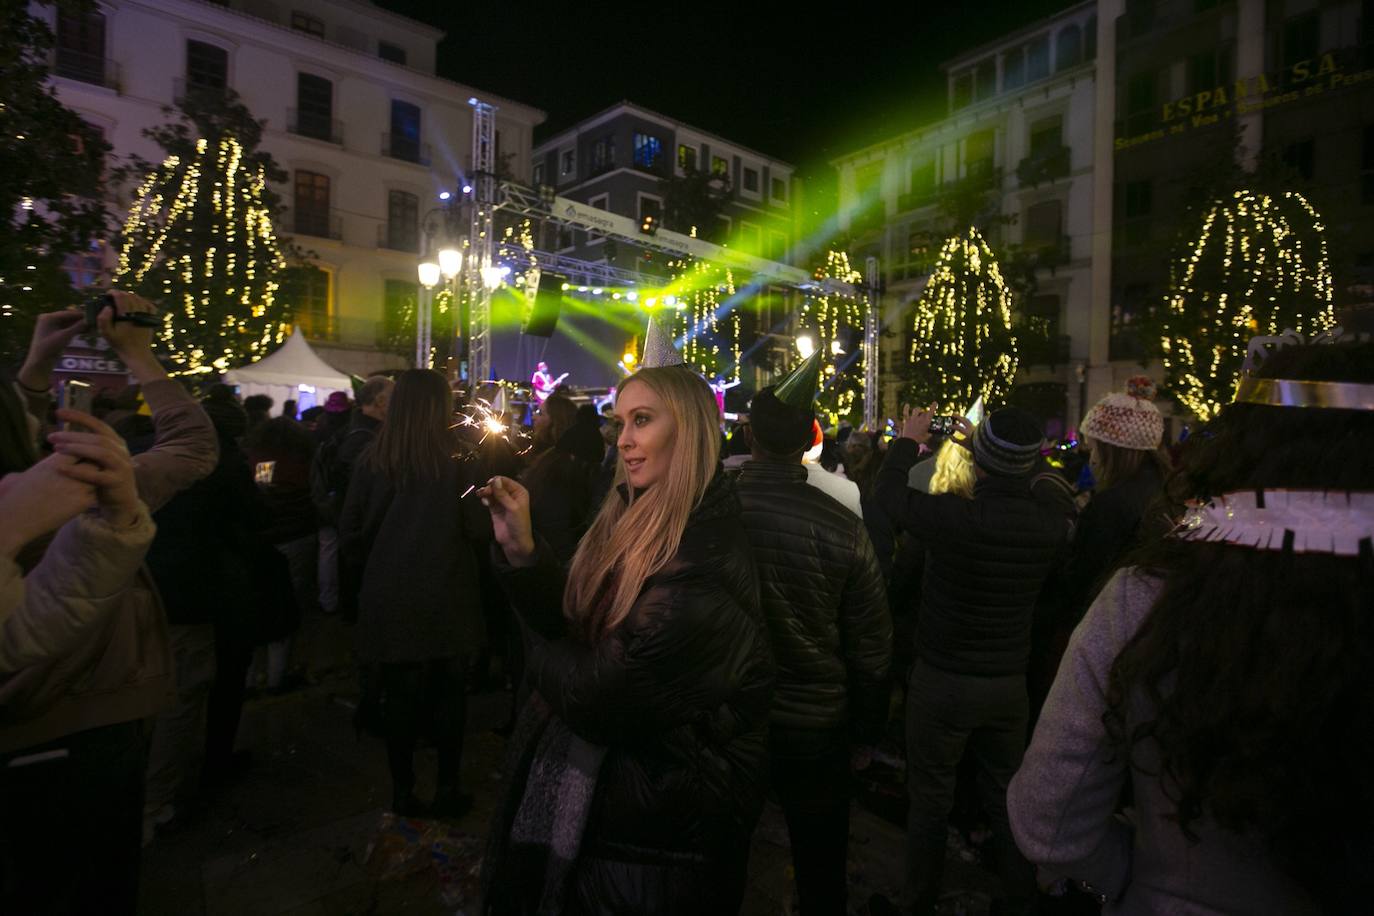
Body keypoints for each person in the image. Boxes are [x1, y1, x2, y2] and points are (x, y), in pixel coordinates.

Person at [1009, 336, 1374, 914]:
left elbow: (1047, 814)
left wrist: (1139, 880)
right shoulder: (1158, 514)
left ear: (1245, 444)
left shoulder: (1148, 589)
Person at [477, 357, 774, 913]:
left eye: (643, 420)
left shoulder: (702, 559)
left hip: (662, 839)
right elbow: (578, 625)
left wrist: (536, 655)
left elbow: (598, 693)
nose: (625, 441)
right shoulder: (630, 514)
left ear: (688, 431)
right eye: (620, 423)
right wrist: (523, 554)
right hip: (622, 820)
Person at [0, 293, 218, 915]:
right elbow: (193, 445)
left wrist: (32, 376)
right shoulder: (72, 490)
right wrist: (137, 352)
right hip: (87, 718)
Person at [870, 405, 1069, 916]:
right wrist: (1008, 455)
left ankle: (918, 902)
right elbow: (1046, 481)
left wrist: (909, 441)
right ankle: (1021, 900)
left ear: (979, 461)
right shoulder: (1049, 521)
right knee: (1008, 798)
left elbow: (889, 496)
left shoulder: (955, 518)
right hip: (1007, 683)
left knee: (930, 801)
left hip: (942, 679)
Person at [736, 351, 892, 916]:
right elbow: (872, 647)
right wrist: (867, 733)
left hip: (731, 714)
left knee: (723, 852)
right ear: (811, 439)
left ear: (749, 433)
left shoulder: (715, 506)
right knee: (821, 862)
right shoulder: (842, 522)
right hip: (816, 723)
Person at [339, 369, 485, 817]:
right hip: (446, 590)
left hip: (389, 592)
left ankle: (403, 792)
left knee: (399, 695)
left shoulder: (372, 460)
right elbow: (478, 530)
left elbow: (351, 531)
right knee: (448, 694)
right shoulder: (459, 460)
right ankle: (446, 787)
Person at [1062, 376, 1172, 625]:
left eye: (1094, 449)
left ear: (1112, 451)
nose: (1092, 460)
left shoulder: (1110, 506)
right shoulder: (1164, 489)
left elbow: (1082, 580)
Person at [315, 376, 392, 617]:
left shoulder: (358, 430)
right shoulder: (362, 438)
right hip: (359, 528)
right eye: (394, 397)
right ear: (380, 401)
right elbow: (358, 492)